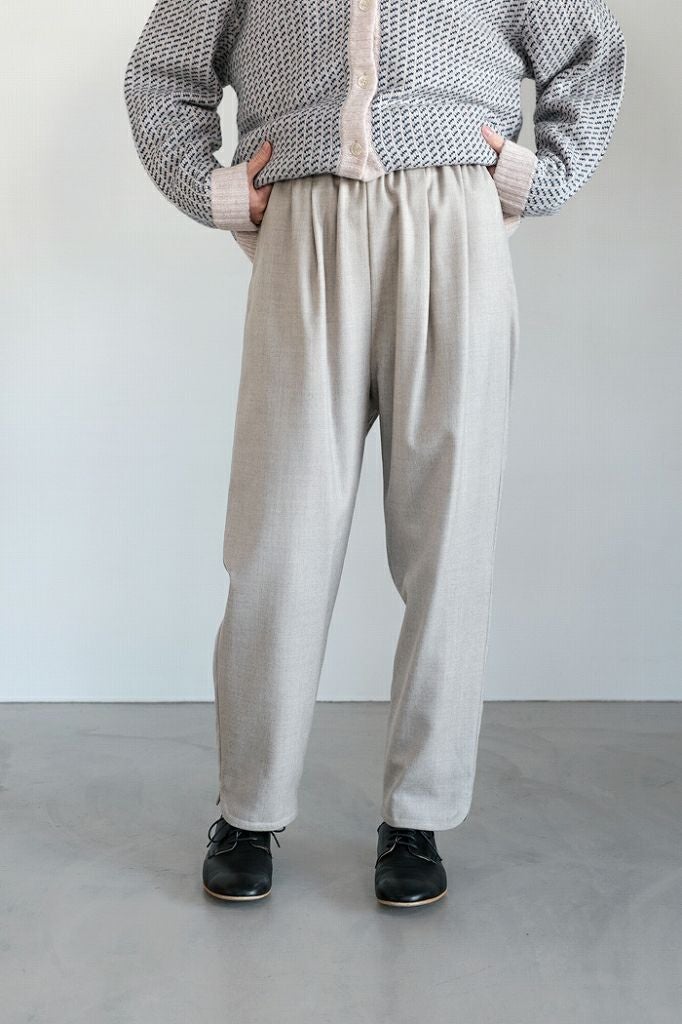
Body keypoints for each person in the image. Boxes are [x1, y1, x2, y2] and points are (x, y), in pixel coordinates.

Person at [124, 0, 627, 907]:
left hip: (453, 210)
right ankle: (249, 808)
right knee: (277, 535)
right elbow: (164, 71)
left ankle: (418, 816)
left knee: (448, 535)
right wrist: (219, 189)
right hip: (304, 214)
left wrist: (532, 175)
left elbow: (590, 48)